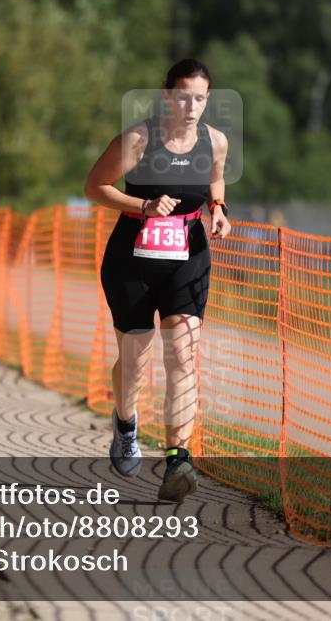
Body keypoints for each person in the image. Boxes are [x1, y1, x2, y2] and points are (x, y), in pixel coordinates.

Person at [84, 58, 231, 503]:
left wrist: (219, 209)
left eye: (200, 98)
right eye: (183, 96)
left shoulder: (215, 141)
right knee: (135, 360)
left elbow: (216, 181)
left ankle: (177, 460)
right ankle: (125, 424)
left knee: (183, 358)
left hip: (188, 253)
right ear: (167, 96)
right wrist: (142, 206)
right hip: (132, 256)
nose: (191, 106)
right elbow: (95, 186)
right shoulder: (138, 139)